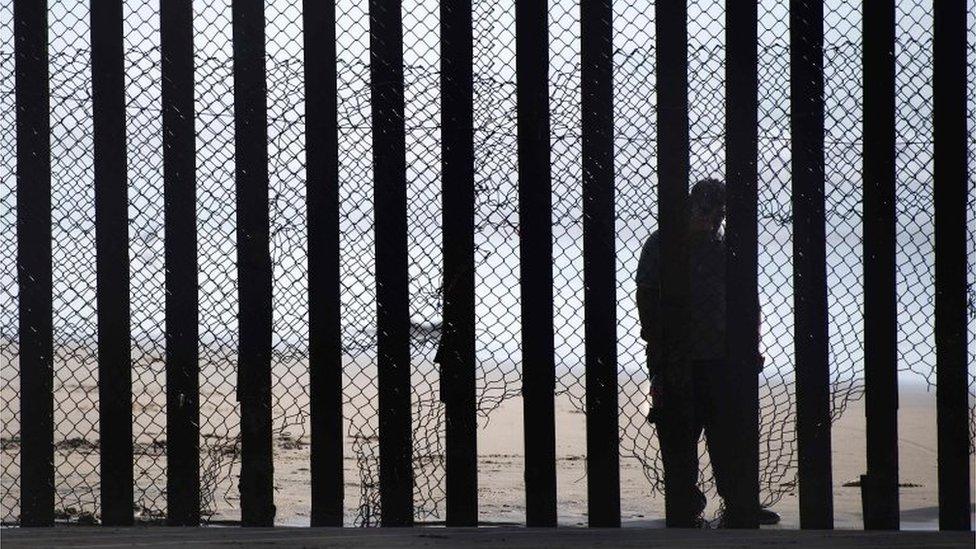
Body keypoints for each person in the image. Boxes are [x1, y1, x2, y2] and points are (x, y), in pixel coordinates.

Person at [635, 178, 780, 527]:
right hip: (679, 358)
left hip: (721, 358)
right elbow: (646, 296)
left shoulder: (722, 248)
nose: (713, 220)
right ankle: (686, 505)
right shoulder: (661, 246)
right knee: (679, 435)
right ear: (688, 207)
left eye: (719, 213)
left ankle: (736, 502)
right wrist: (657, 344)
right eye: (706, 211)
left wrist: (752, 345)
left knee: (728, 437)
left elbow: (748, 302)